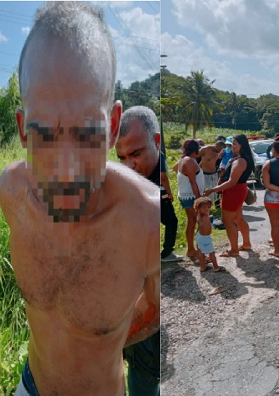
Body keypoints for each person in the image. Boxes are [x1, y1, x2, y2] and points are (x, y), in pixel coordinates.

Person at [0, 3, 159, 395]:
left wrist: (103, 343)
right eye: (43, 134)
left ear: (113, 126)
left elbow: (155, 308)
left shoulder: (145, 218)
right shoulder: (12, 193)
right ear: (22, 129)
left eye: (86, 133)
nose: (65, 168)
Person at [115, 106, 167, 396]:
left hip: (147, 320)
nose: (128, 164)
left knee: (145, 382)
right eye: (121, 157)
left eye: (135, 154)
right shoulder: (125, 184)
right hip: (124, 312)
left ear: (157, 141)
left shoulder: (162, 190)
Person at [204, 134, 255, 256]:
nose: (232, 147)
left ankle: (233, 249)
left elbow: (232, 182)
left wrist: (213, 190)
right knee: (238, 218)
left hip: (233, 192)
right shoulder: (240, 158)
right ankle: (246, 243)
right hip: (238, 190)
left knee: (227, 221)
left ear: (241, 145)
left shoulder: (240, 161)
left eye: (234, 144)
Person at [178, 139, 205, 260]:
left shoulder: (185, 160)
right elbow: (192, 181)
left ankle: (192, 249)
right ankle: (197, 251)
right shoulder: (188, 161)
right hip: (191, 196)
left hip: (188, 195)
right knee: (197, 221)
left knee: (192, 222)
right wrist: (199, 200)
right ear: (195, 149)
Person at [193, 197, 224, 272]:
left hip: (201, 236)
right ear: (198, 208)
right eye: (204, 208)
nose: (207, 209)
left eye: (208, 207)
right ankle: (216, 267)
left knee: (201, 251)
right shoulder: (202, 216)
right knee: (211, 252)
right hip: (204, 238)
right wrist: (207, 216)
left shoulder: (200, 215)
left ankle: (203, 266)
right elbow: (202, 224)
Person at [199, 139, 226, 204]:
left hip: (214, 174)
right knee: (207, 191)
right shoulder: (206, 149)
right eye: (221, 149)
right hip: (205, 174)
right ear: (217, 146)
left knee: (215, 190)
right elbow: (200, 160)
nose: (221, 151)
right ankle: (205, 206)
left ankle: (216, 204)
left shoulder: (217, 153)